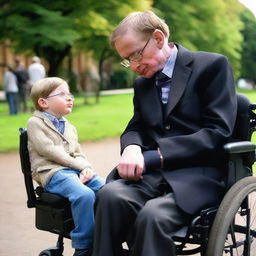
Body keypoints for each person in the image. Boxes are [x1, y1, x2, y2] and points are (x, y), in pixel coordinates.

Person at [92, 10, 237, 256]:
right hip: (153, 177)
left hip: (199, 176)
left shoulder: (211, 66)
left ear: (158, 39)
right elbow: (136, 126)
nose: (134, 66)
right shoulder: (143, 84)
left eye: (136, 54)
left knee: (153, 216)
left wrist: (155, 156)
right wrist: (132, 147)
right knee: (109, 196)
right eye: (127, 60)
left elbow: (218, 131)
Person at [27, 77, 104, 256]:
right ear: (43, 102)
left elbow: (78, 153)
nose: (70, 98)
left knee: (106, 189)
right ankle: (84, 245)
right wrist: (78, 166)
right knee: (84, 194)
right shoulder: (35, 123)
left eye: (70, 94)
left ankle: (109, 235)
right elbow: (50, 151)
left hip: (72, 170)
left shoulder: (70, 127)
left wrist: (86, 168)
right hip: (52, 173)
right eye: (62, 94)